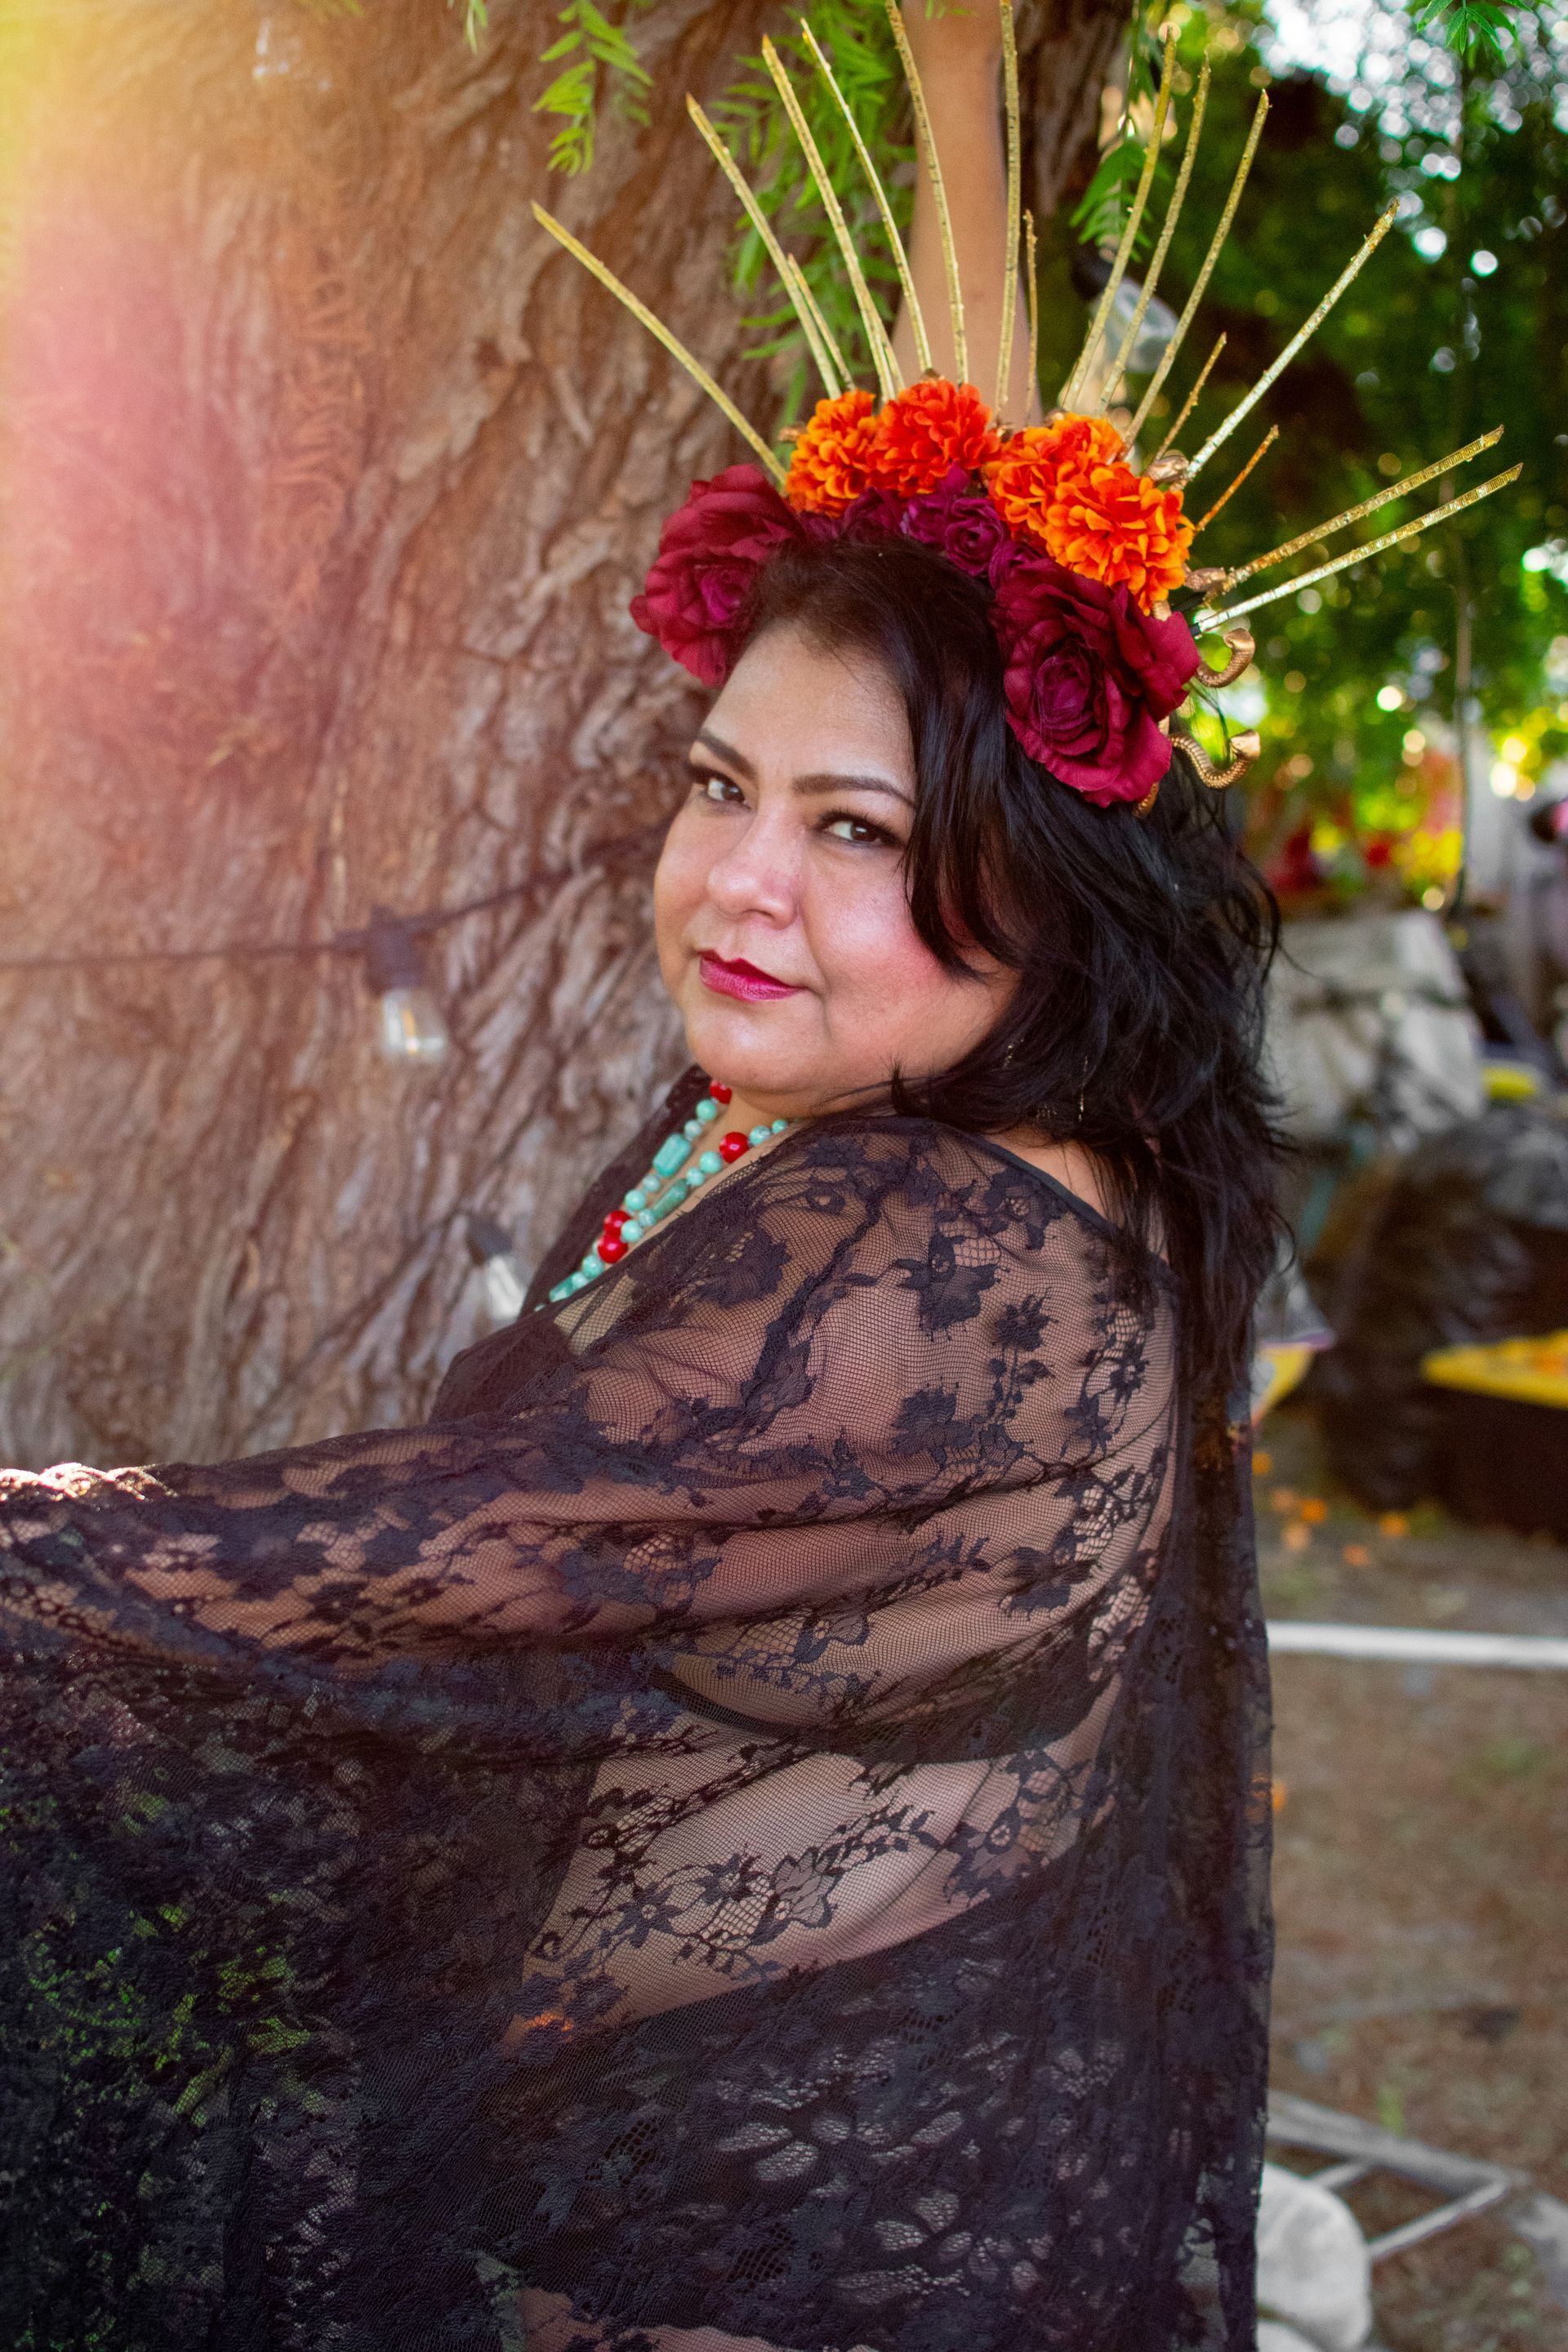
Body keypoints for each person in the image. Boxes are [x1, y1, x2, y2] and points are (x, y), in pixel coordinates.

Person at [14, 1, 1500, 2343]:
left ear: (1042, 881)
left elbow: (346, 1573)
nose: (738, 885)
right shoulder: (1008, 1166)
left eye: (854, 834)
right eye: (721, 787)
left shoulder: (926, 1255)